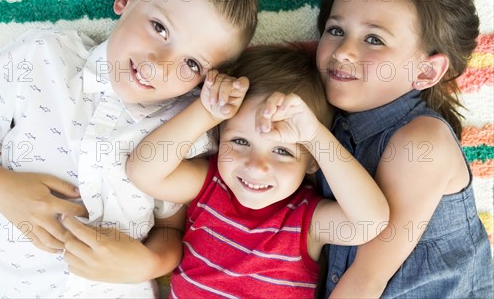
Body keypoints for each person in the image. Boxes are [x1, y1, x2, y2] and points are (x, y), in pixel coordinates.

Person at [0, 0, 258, 298]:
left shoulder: (185, 127)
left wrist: (145, 265)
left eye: (191, 64)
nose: (160, 64)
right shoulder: (44, 57)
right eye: (159, 27)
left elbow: (170, 231)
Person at [126, 45, 390, 298]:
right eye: (240, 141)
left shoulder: (305, 221)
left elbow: (369, 222)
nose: (255, 166)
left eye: (282, 152)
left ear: (313, 162)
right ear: (220, 135)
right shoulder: (210, 186)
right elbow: (144, 172)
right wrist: (206, 112)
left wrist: (315, 137)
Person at [314, 0, 494, 298]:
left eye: (373, 39)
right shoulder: (329, 127)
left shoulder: (421, 143)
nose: (344, 51)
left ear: (426, 72)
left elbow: (367, 278)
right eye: (336, 30)